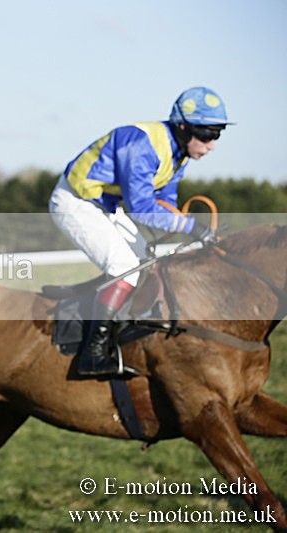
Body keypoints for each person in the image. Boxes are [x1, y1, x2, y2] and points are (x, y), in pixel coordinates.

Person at [49, 86, 232, 377]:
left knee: (145, 262)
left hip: (106, 207)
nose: (212, 145)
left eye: (218, 134)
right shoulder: (141, 144)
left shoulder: (179, 154)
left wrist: (188, 228)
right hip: (75, 203)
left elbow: (165, 202)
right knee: (125, 267)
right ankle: (92, 355)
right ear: (183, 127)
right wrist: (192, 228)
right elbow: (142, 209)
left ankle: (113, 325)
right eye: (208, 134)